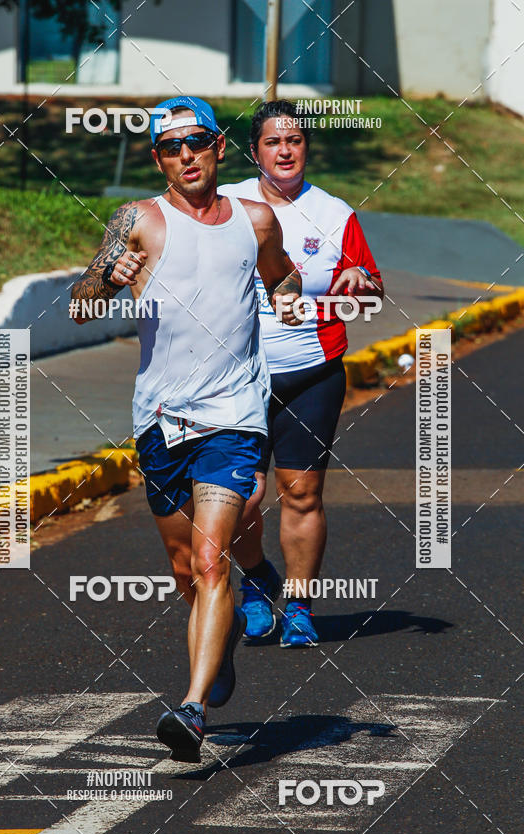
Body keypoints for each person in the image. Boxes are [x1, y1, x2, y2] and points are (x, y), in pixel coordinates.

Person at [71, 96, 302, 762]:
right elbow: (81, 304)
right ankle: (220, 639)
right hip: (160, 419)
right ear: (157, 159)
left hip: (232, 415)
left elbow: (279, 275)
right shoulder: (135, 220)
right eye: (170, 147)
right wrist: (107, 280)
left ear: (220, 146)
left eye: (195, 141)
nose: (185, 155)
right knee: (187, 571)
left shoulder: (255, 221)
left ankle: (193, 710)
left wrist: (289, 304)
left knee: (209, 560)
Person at [220, 100, 383, 648]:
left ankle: (298, 605)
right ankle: (257, 579)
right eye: (273, 141)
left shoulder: (334, 213)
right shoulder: (228, 207)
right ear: (255, 151)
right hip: (239, 374)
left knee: (302, 492)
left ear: (305, 148)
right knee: (237, 497)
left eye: (295, 140)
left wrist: (360, 285)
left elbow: (372, 290)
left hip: (312, 372)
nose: (285, 150)